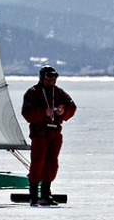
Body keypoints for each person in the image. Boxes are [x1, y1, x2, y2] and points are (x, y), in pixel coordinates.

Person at [21, 65, 76, 206]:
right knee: (37, 163)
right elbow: (27, 113)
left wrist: (62, 112)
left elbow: (71, 106)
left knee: (52, 164)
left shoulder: (59, 93)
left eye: (54, 78)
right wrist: (44, 113)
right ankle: (33, 195)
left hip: (54, 133)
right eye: (48, 78)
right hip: (39, 133)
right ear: (42, 78)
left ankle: (46, 194)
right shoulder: (33, 92)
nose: (51, 81)